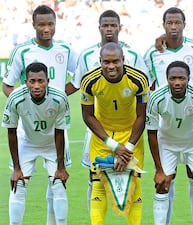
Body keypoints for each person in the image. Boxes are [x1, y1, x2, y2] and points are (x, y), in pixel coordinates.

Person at [65, 9, 149, 214]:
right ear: (99, 27)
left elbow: (145, 93)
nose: (109, 29)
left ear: (120, 27)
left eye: (113, 25)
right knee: (95, 179)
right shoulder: (87, 56)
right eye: (106, 25)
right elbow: (77, 86)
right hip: (97, 130)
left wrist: (126, 148)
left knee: (133, 179)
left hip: (130, 131)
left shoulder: (135, 57)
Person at [2, 5, 77, 225]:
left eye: (50, 24)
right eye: (41, 24)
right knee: (19, 183)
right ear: (33, 25)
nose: (46, 29)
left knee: (57, 184)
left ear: (56, 24)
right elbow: (7, 86)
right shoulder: (22, 51)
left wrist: (56, 99)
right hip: (27, 133)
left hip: (55, 131)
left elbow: (80, 76)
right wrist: (26, 106)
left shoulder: (66, 49)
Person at [144, 7, 193, 225]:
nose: (174, 27)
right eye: (170, 23)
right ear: (163, 24)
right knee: (163, 183)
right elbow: (145, 82)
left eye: (178, 22)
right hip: (166, 128)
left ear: (184, 24)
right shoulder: (152, 52)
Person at [80, 42, 149, 225]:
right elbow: (87, 116)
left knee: (134, 184)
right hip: (102, 137)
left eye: (115, 61)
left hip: (131, 135)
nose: (111, 66)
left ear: (123, 60)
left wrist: (128, 148)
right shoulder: (89, 80)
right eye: (106, 62)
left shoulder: (139, 79)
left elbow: (142, 116)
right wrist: (112, 145)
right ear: (100, 61)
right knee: (98, 183)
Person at [2, 62, 70, 225]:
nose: (37, 85)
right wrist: (17, 169)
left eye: (41, 81)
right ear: (26, 82)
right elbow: (11, 131)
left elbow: (60, 131)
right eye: (32, 81)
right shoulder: (16, 98)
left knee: (58, 184)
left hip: (53, 143)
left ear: (48, 81)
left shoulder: (59, 97)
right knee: (18, 184)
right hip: (26, 142)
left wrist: (61, 168)